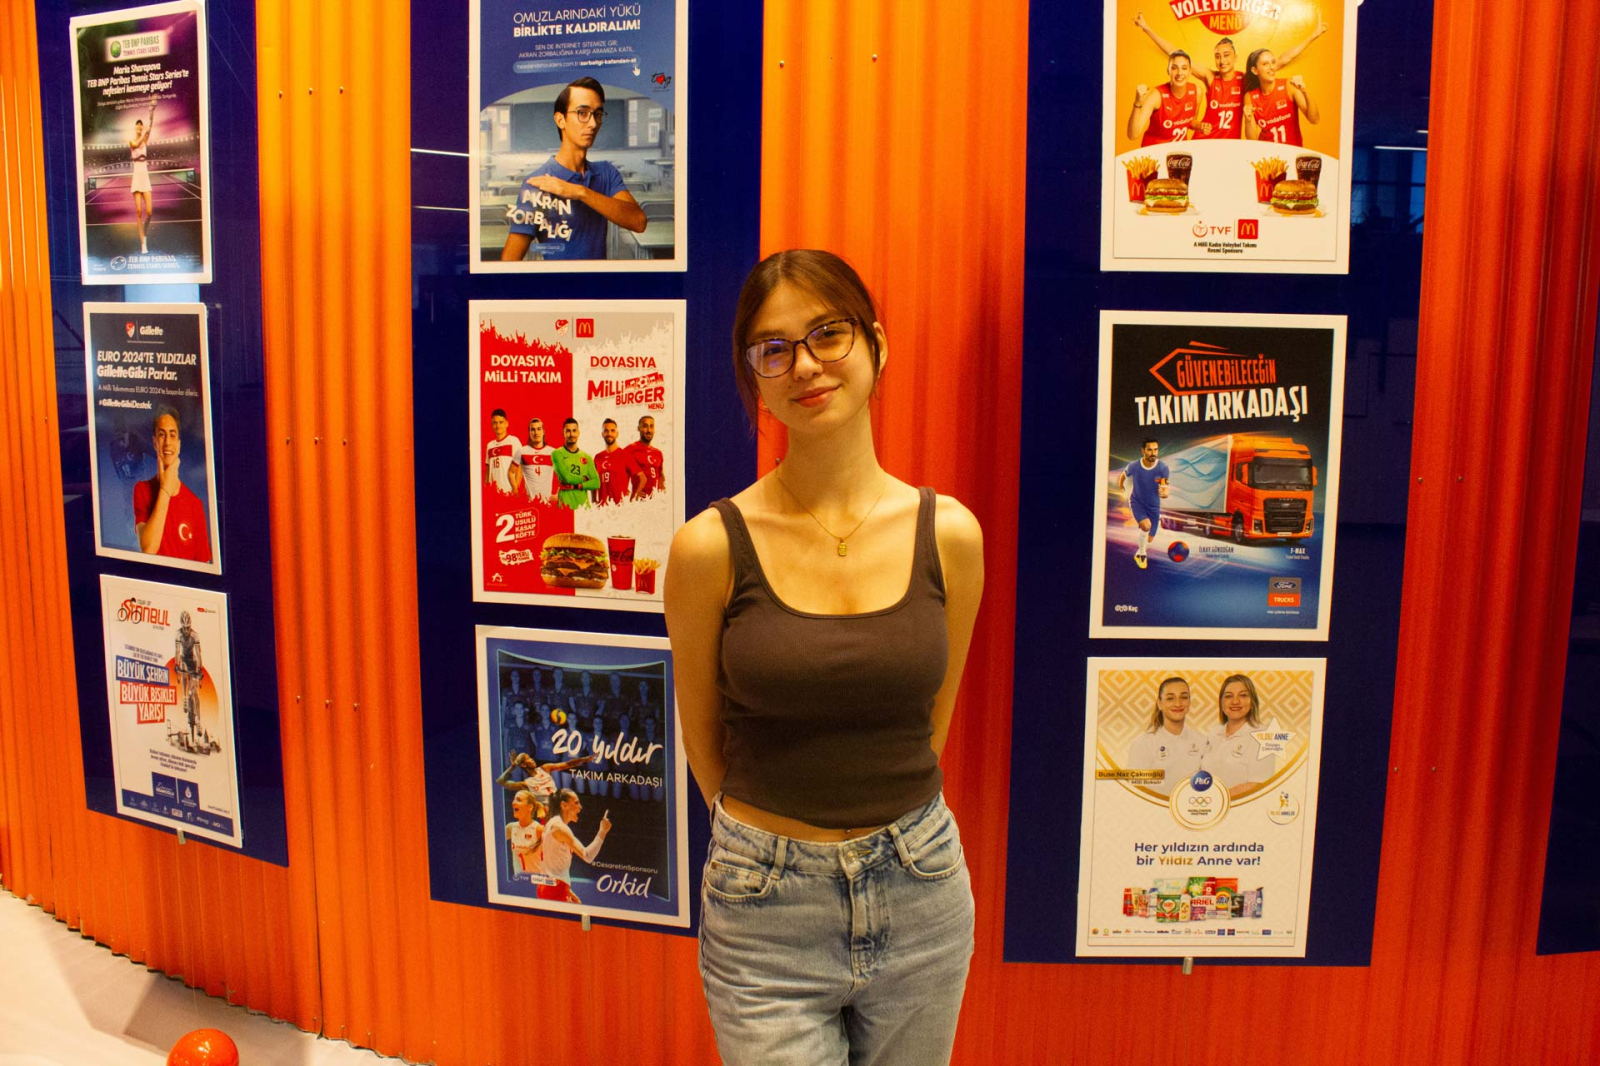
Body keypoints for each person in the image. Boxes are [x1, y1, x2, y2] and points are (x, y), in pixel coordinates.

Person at [664, 249, 985, 1066]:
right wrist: (766, 848)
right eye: (773, 349)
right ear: (754, 376)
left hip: (922, 888)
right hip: (764, 911)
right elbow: (703, 740)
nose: (804, 364)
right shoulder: (708, 548)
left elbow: (932, 720)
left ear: (876, 343)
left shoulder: (949, 535)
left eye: (827, 334)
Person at [500, 77, 647, 262]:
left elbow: (638, 222)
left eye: (597, 114)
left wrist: (579, 192)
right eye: (582, 113)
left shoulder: (606, 172)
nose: (593, 123)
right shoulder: (538, 184)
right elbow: (509, 261)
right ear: (560, 120)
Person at [1132, 13, 1328, 139]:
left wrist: (1314, 35)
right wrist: (1148, 29)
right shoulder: (1210, 77)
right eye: (1217, 56)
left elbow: (1282, 60)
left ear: (1235, 57)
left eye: (1226, 55)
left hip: (1229, 145)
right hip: (1204, 141)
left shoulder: (1245, 79)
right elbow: (1176, 53)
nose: (1222, 60)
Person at [133, 407, 212, 562]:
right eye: (162, 435)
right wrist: (165, 490)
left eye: (172, 435)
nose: (167, 442)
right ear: (155, 442)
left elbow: (202, 564)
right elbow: (148, 549)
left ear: (179, 444)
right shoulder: (142, 490)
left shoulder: (195, 505)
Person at [1200, 674, 1278, 799]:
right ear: (1221, 702)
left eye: (1243, 695)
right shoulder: (1212, 733)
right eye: (1228, 696)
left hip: (1241, 807)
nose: (1235, 701)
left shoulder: (1264, 737)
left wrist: (1216, 799)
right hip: (1206, 805)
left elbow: (1259, 784)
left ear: (1252, 702)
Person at [1126, 676, 1205, 797]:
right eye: (1170, 698)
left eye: (1184, 697)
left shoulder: (1201, 741)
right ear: (1159, 704)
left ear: (1189, 702)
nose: (1178, 703)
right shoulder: (1143, 744)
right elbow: (1135, 791)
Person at [537, 789, 611, 903]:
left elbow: (551, 864)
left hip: (550, 886)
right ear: (564, 805)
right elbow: (587, 856)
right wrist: (602, 832)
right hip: (554, 888)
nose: (580, 807)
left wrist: (566, 890)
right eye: (576, 803)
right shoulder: (560, 828)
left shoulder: (553, 824)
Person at [1243, 49, 1321, 146]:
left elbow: (1314, 119)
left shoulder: (1289, 86)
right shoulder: (1250, 97)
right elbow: (1252, 140)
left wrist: (1305, 92)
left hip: (1292, 151)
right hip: (1266, 153)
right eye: (1265, 64)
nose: (1271, 67)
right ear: (1255, 70)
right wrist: (1248, 121)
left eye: (1273, 62)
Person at [1126, 50, 1202, 146]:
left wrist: (1200, 126)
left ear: (1190, 71)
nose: (1179, 73)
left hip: (1177, 151)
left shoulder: (1197, 92)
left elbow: (1191, 122)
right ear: (1168, 71)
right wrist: (1138, 102)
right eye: (1174, 68)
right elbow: (1133, 135)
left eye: (1184, 68)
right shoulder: (1156, 95)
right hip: (1154, 150)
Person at [1118, 437, 1169, 569]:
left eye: (1155, 450)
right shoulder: (1134, 466)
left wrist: (1165, 494)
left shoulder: (1163, 468)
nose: (1153, 453)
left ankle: (1140, 551)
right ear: (1143, 451)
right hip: (1137, 503)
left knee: (1150, 539)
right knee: (1146, 526)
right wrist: (1121, 485)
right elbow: (1124, 474)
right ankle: (1142, 555)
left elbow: (1165, 488)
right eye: (1150, 450)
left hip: (1154, 507)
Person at [496, 749, 595, 812]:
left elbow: (568, 764)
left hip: (559, 804)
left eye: (530, 757)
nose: (532, 759)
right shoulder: (526, 783)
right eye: (528, 759)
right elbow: (500, 781)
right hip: (548, 811)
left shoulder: (545, 768)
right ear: (523, 765)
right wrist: (513, 766)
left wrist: (584, 759)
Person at [553, 418, 600, 509]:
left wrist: (580, 485)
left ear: (578, 433)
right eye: (568, 431)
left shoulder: (587, 457)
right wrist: (584, 479)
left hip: (584, 507)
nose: (571, 434)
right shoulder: (557, 454)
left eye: (574, 431)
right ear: (563, 433)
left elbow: (596, 483)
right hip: (565, 505)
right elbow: (566, 477)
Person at [129, 101, 156, 253]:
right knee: (139, 211)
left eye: (141, 125)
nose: (140, 127)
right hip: (136, 178)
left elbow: (150, 124)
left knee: (149, 212)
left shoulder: (145, 141)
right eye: (138, 125)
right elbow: (136, 144)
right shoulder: (132, 141)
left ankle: (144, 234)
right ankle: (143, 243)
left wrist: (151, 111)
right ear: (135, 127)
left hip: (145, 178)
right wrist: (143, 132)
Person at [173, 610, 203, 745]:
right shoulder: (177, 634)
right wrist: (176, 665)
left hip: (193, 661)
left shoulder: (195, 635)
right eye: (184, 628)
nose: (186, 630)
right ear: (181, 626)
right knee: (183, 667)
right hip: (184, 659)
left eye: (188, 627)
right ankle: (185, 697)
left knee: (195, 692)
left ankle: (199, 721)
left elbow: (198, 653)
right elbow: (177, 651)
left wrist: (199, 669)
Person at [505, 790, 547, 876]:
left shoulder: (538, 829)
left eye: (518, 800)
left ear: (530, 807)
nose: (513, 802)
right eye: (514, 799)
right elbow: (493, 843)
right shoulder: (511, 828)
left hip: (537, 880)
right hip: (519, 881)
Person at [624, 415, 664, 500]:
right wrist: (630, 494)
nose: (649, 430)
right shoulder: (629, 450)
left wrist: (663, 493)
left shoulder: (658, 453)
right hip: (639, 502)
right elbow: (619, 474)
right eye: (645, 426)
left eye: (651, 426)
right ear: (639, 428)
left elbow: (661, 475)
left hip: (656, 501)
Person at [484, 409, 521, 495]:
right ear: (492, 424)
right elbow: (488, 471)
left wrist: (516, 488)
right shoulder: (490, 445)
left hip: (508, 491)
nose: (498, 426)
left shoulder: (513, 441)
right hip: (493, 492)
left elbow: (520, 468)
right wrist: (485, 488)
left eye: (501, 422)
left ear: (506, 423)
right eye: (495, 423)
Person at [593, 418, 629, 505]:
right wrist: (594, 500)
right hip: (602, 506)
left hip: (621, 506)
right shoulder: (598, 457)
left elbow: (641, 477)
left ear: (617, 434)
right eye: (606, 431)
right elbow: (594, 480)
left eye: (612, 431)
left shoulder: (625, 455)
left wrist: (634, 495)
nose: (609, 433)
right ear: (602, 434)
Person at [517, 417, 553, 500]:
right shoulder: (522, 452)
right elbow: (513, 473)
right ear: (529, 432)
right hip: (528, 503)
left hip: (547, 503)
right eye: (533, 429)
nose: (536, 432)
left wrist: (559, 494)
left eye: (539, 429)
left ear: (543, 432)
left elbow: (564, 475)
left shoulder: (552, 452)